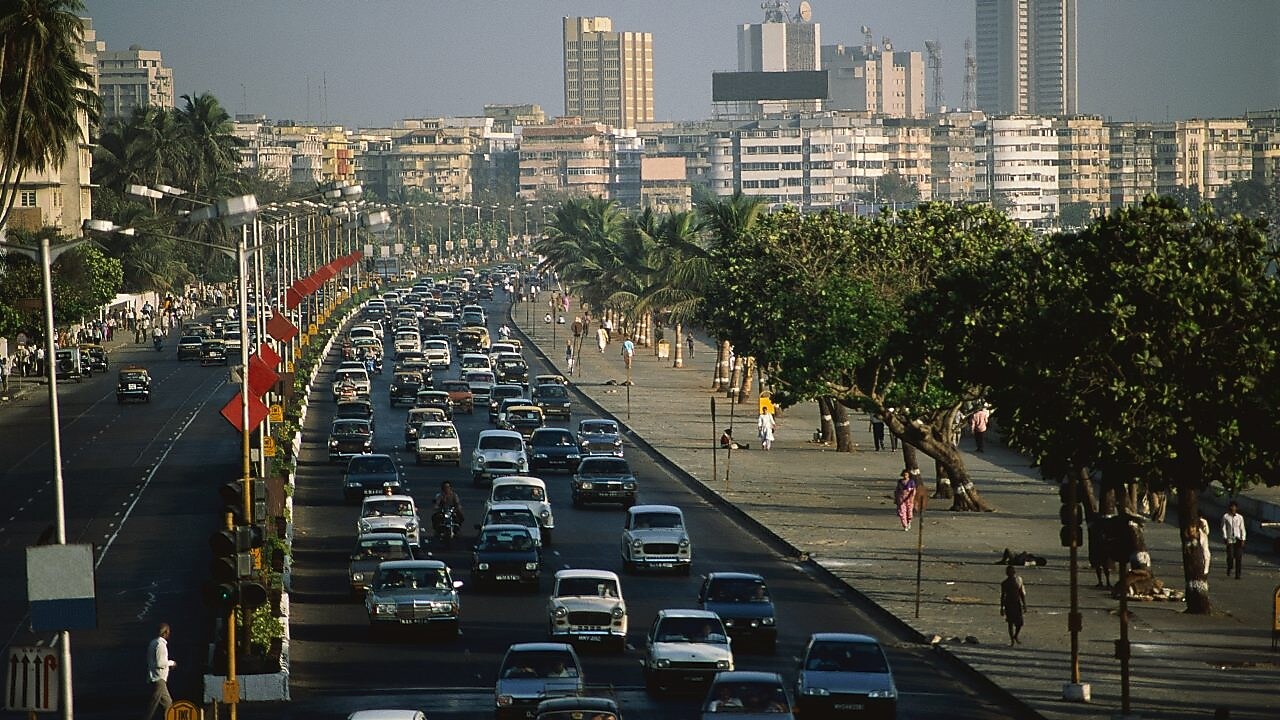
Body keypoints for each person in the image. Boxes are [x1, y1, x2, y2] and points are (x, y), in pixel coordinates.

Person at [143, 623, 176, 720]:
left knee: (168, 704)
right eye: (168, 632)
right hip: (159, 679)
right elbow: (160, 663)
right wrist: (171, 663)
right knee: (152, 706)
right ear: (165, 632)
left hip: (154, 677)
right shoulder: (161, 645)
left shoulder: (153, 643)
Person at [999, 565, 1027, 645]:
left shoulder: (1018, 581)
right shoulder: (1004, 583)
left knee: (1020, 623)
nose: (1011, 574)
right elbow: (1003, 596)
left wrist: (1024, 604)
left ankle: (1015, 636)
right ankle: (1012, 640)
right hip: (1009, 604)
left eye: (1012, 572)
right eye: (1009, 573)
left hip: (1017, 604)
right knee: (1010, 623)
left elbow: (1021, 593)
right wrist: (1002, 607)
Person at [1221, 500, 1246, 579]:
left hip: (1238, 538)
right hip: (1230, 539)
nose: (1233, 508)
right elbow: (1223, 527)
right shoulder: (1226, 516)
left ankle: (1238, 574)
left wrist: (1243, 539)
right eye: (1232, 506)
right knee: (1230, 556)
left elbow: (1242, 528)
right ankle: (1229, 567)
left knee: (1238, 557)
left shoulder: (1240, 517)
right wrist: (1225, 537)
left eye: (1234, 507)